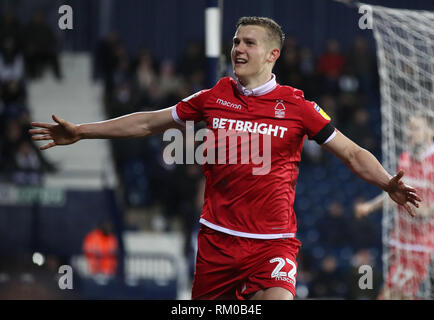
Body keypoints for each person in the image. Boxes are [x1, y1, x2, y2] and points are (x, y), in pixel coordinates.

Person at [29, 17, 421, 300]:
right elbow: (148, 123)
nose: (238, 48)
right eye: (235, 41)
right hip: (218, 242)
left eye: (248, 42)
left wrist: (387, 181)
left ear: (272, 54)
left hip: (274, 243)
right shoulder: (212, 97)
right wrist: (82, 131)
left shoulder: (298, 106)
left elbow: (351, 152)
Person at [355, 115, 433, 299]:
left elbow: (427, 208)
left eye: (415, 128)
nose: (409, 133)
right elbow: (394, 196)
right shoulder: (405, 158)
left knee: (389, 295)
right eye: (409, 128)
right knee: (404, 295)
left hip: (421, 245)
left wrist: (427, 210)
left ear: (430, 131)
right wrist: (370, 206)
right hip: (400, 240)